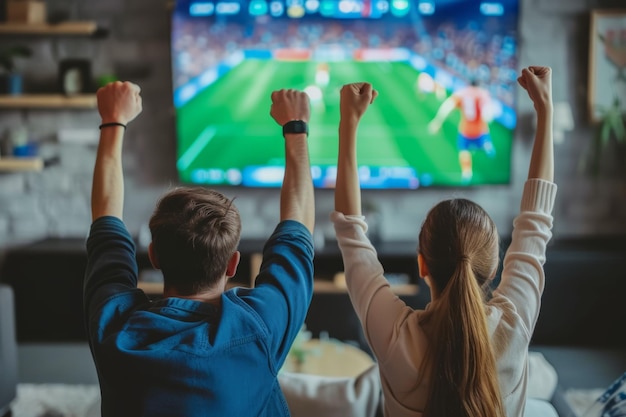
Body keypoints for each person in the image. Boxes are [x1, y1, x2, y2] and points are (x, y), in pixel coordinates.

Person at [332, 66, 556, 417]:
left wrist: (348, 123)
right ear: (494, 264)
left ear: (421, 264)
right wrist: (546, 111)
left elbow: (350, 234)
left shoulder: (393, 336)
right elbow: (535, 224)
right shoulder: (514, 326)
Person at [84, 81, 315, 416]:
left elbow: (105, 220)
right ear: (232, 264)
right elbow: (299, 223)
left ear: (155, 257)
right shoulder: (260, 325)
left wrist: (112, 121)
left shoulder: (113, 328)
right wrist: (296, 129)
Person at [428, 80, 497, 182]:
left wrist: (438, 121)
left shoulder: (462, 93)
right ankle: (486, 145)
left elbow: (447, 106)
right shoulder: (482, 94)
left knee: (463, 151)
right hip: (480, 130)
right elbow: (488, 113)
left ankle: (467, 174)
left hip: (465, 130)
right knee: (483, 143)